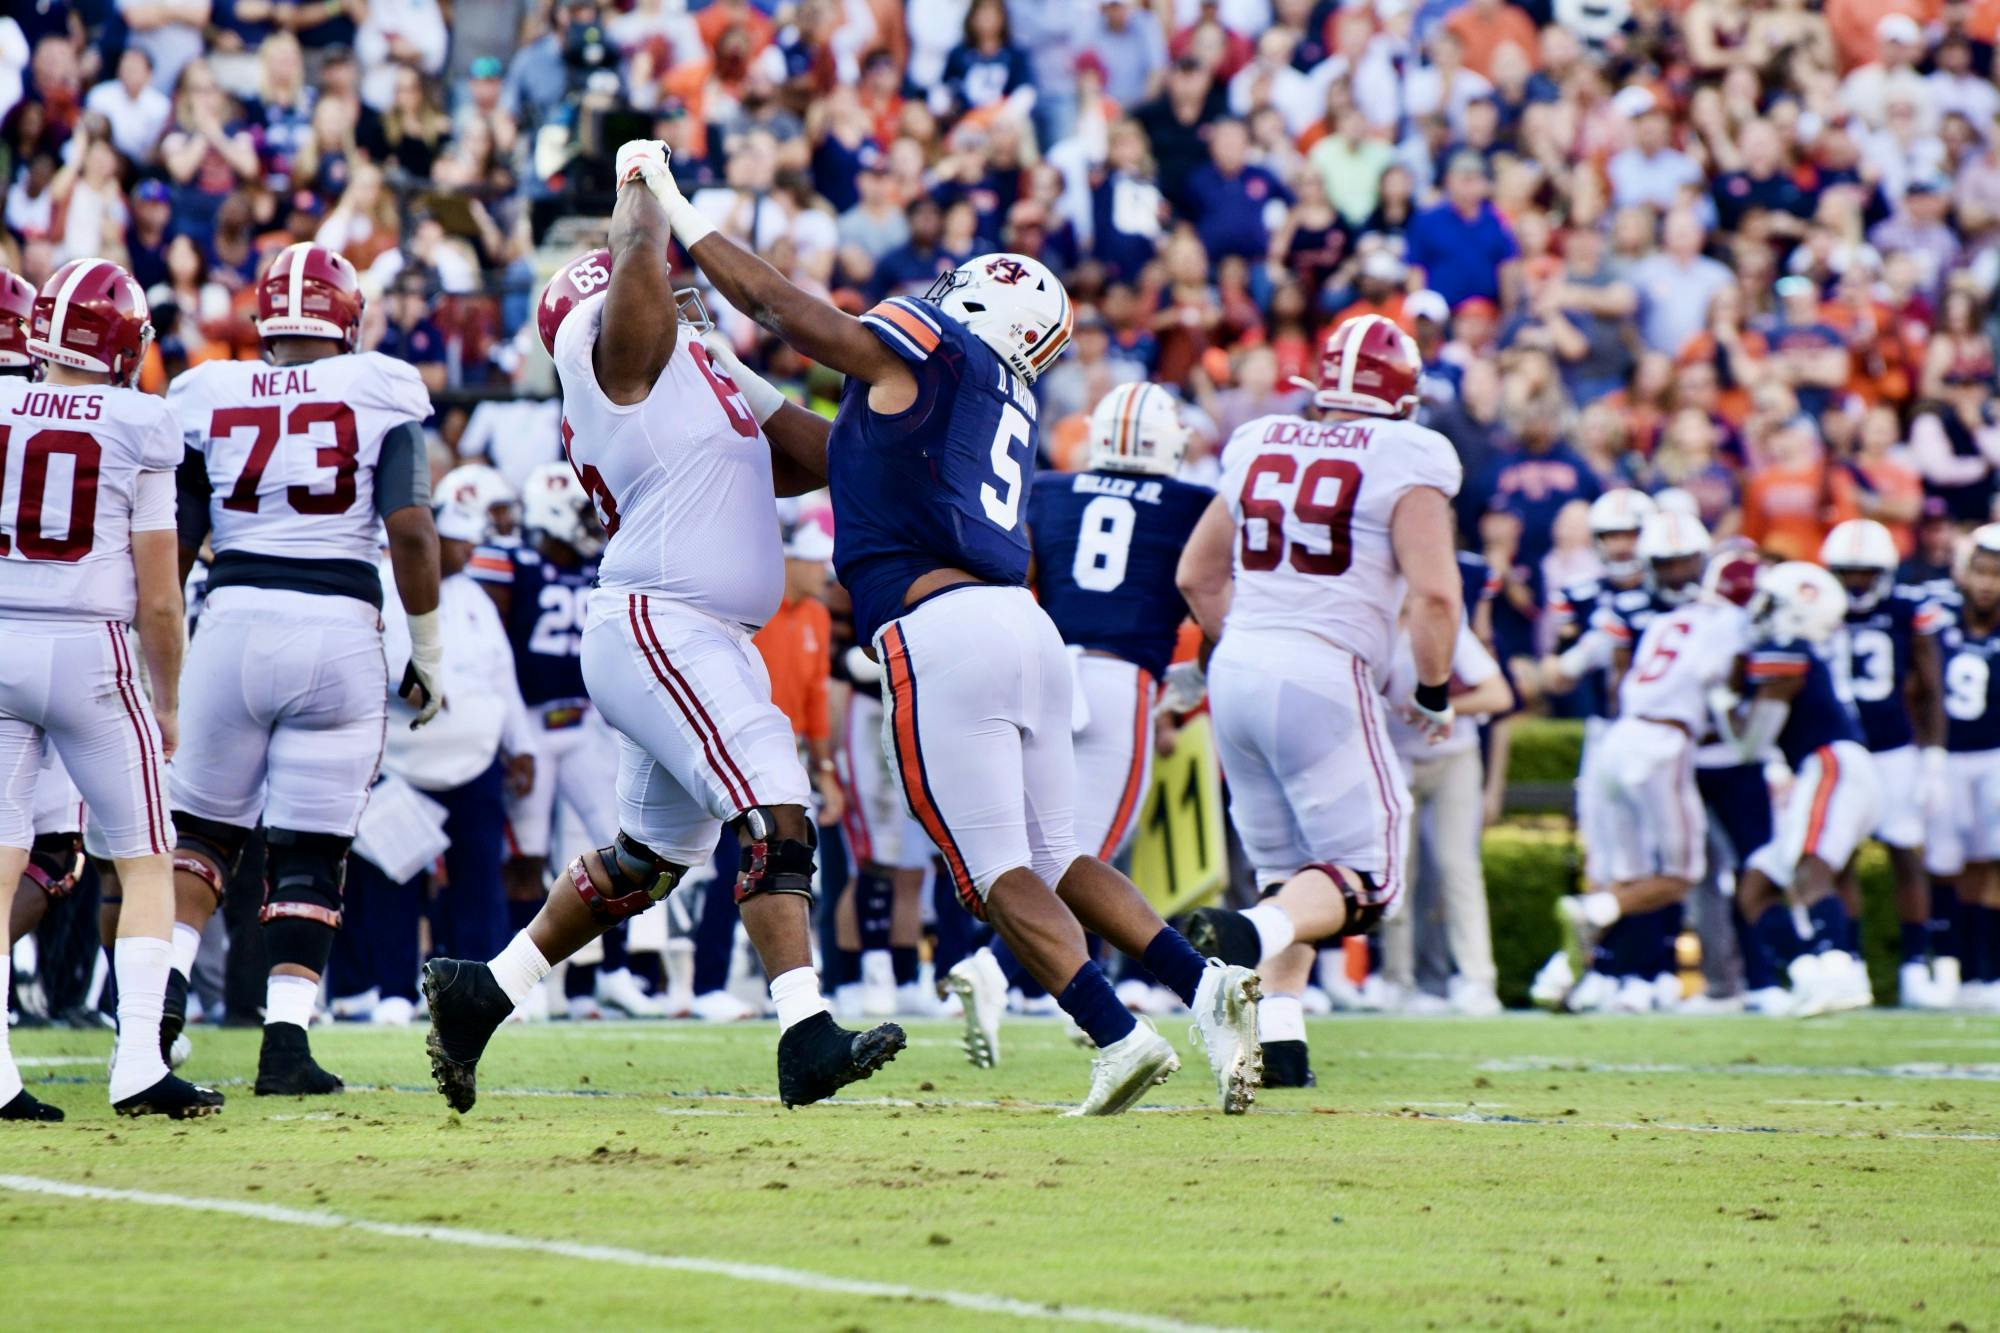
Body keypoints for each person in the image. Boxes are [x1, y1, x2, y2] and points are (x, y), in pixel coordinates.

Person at [638, 137, 1261, 1116]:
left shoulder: (931, 346)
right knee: (1058, 854)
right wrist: (713, 367)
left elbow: (788, 313)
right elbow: (826, 442)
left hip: (943, 632)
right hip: (1024, 629)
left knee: (986, 873)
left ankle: (1115, 1032)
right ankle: (1200, 981)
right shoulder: (989, 390)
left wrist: (677, 210)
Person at [421, 168, 905, 1114]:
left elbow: (811, 451)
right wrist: (641, 182)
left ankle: (485, 991)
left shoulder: (702, 364)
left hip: (696, 632)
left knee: (646, 860)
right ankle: (804, 1033)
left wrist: (892, 413)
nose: (679, 295)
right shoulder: (618, 366)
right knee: (773, 794)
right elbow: (641, 258)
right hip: (659, 620)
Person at [165, 242, 445, 1097]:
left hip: (231, 618)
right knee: (312, 849)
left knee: (201, 838)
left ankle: (153, 1018)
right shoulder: (379, 385)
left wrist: (165, 649)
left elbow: (173, 542)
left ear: (265, 323)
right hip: (335, 629)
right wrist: (427, 648)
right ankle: (284, 1042)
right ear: (347, 322)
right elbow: (410, 530)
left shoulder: (206, 389)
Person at [1175, 315, 1464, 1086]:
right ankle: (1246, 934)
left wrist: (1255, 647)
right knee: (1369, 882)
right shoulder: (1412, 453)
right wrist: (1434, 690)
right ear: (1402, 396)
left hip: (1237, 662)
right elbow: (1436, 595)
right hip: (1322, 668)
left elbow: (1197, 577)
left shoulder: (1258, 438)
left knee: (1292, 868)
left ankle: (1282, 1042)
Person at [2, 258, 222, 1120]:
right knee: (144, 858)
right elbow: (161, 594)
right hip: (89, 646)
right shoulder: (142, 419)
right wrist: (166, 699)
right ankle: (136, 1062)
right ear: (126, 345)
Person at [466, 463, 651, 1019]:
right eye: (575, 510)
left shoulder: (600, 565)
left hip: (585, 722)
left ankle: (614, 971)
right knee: (524, 853)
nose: (585, 522)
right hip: (529, 721)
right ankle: (518, 980)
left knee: (625, 848)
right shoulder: (514, 563)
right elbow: (489, 648)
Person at [1550, 521, 1750, 1010]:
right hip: (1664, 741)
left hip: (1619, 736)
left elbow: (1621, 684)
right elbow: (1723, 693)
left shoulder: (1665, 621)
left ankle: (1596, 973)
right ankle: (1593, 912)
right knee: (1682, 873)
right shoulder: (1729, 624)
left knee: (1631, 868)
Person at [1727, 563, 1884, 1016]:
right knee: (1756, 885)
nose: (1760, 611)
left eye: (1772, 603)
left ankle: (1837, 967)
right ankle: (1808, 972)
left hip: (1830, 762)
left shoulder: (1790, 653)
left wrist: (1727, 700)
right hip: (1828, 767)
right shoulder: (1800, 652)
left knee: (1809, 868)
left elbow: (1752, 741)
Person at [1820, 520, 1948, 1008]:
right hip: (1841, 747)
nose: (1854, 582)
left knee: (1905, 853)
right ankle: (1848, 963)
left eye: (1863, 572)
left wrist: (1932, 755)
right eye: (1846, 572)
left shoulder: (1906, 609)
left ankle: (1916, 963)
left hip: (1894, 747)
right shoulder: (1819, 608)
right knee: (1839, 857)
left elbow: (1931, 686)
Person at [1928, 527, 2000, 1012]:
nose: (1989, 584)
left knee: (1991, 862)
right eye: (1982, 571)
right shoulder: (1935, 617)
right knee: (1943, 865)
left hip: (1994, 754)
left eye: (1998, 575)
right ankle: (1947, 966)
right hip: (1944, 755)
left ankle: (1987, 972)